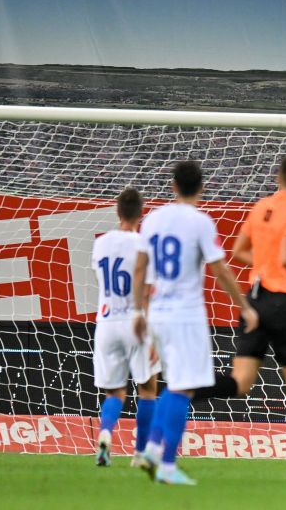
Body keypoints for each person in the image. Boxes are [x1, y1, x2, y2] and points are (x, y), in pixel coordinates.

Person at [189, 155, 286, 482]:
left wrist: (265, 261)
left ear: (278, 177)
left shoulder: (261, 207)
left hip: (255, 301)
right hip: (284, 303)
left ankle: (181, 390)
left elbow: (239, 252)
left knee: (239, 383)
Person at [132, 161, 257, 485]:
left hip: (157, 312)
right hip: (186, 315)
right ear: (201, 188)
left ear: (173, 186)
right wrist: (244, 306)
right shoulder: (201, 222)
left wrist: (138, 313)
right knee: (182, 388)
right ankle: (166, 465)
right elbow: (221, 270)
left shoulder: (153, 220)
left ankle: (152, 450)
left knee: (175, 385)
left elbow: (140, 269)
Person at [91, 188, 161, 467]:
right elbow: (147, 291)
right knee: (147, 388)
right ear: (140, 215)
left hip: (107, 321)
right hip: (136, 322)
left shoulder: (101, 244)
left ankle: (106, 434)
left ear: (118, 212)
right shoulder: (144, 245)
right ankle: (140, 453)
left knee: (114, 392)